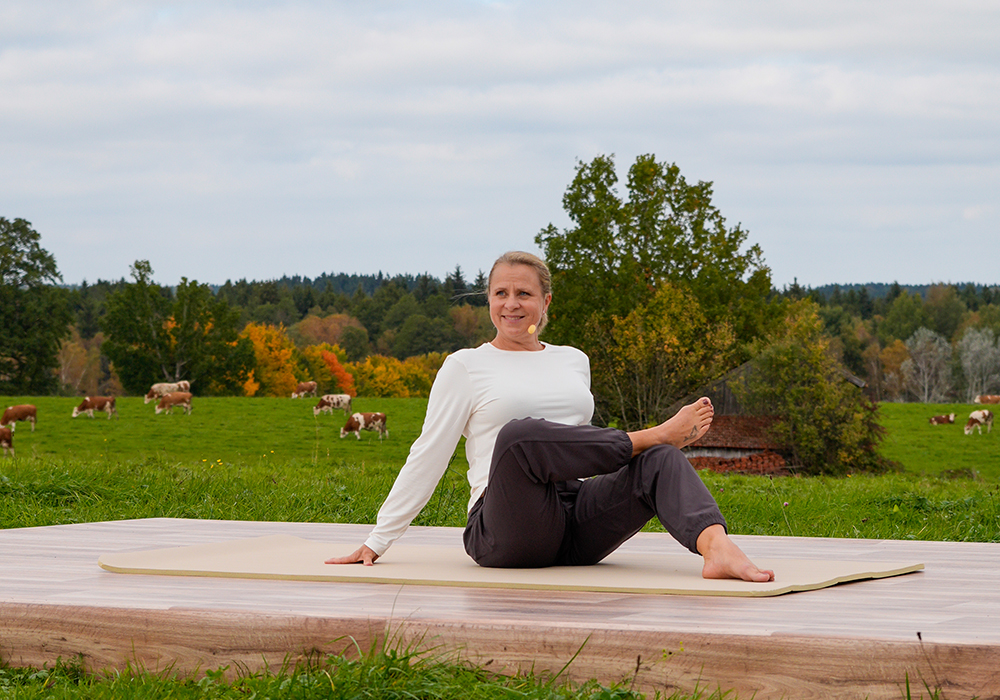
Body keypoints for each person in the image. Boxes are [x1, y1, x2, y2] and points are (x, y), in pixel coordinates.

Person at [327, 251, 774, 583]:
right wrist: (378, 540)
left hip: (576, 523)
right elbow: (428, 454)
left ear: (546, 302)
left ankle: (717, 549)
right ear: (488, 301)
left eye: (524, 293)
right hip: (505, 530)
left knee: (661, 459)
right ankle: (651, 435)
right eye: (501, 293)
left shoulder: (573, 360)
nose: (511, 304)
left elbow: (579, 446)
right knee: (520, 437)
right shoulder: (465, 366)